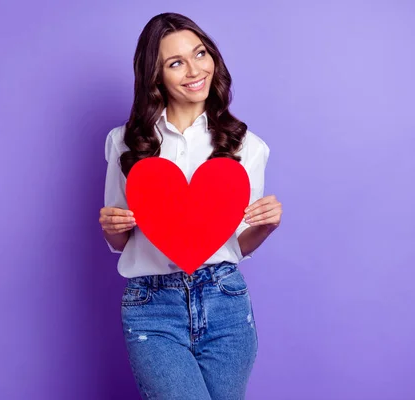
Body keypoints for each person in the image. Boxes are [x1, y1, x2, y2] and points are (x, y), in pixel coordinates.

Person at [98, 12, 282, 399]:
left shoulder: (248, 145)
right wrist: (112, 228)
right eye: (175, 62)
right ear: (155, 76)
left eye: (200, 54)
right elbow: (120, 240)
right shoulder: (125, 143)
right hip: (153, 304)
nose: (194, 70)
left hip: (224, 301)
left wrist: (264, 226)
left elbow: (238, 244)